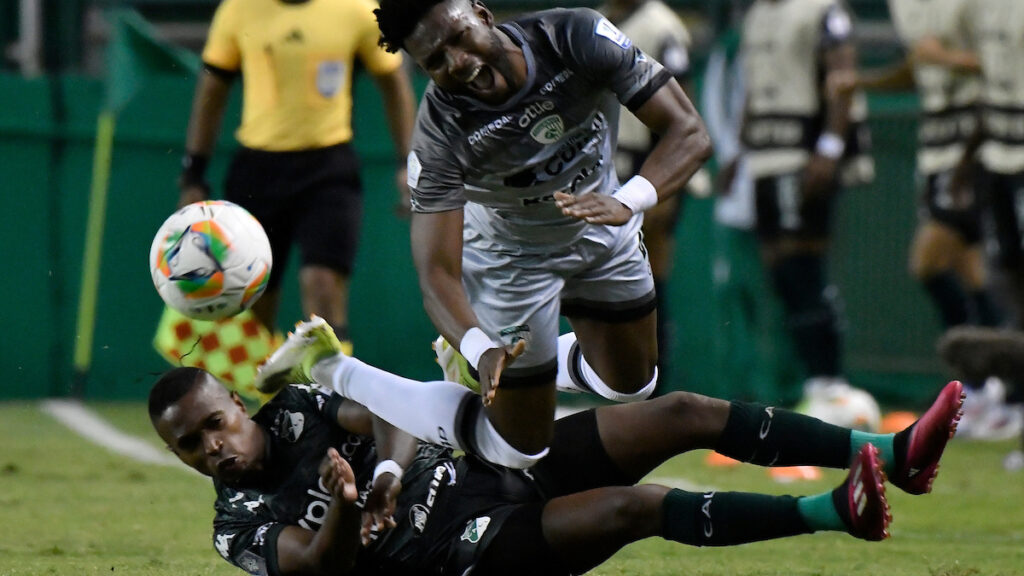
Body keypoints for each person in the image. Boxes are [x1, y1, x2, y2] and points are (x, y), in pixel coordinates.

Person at [154, 322, 965, 575]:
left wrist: (392, 469)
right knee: (634, 507)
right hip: (458, 553)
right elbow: (315, 568)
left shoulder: (297, 405)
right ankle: (834, 512)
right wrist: (342, 503)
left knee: (677, 408)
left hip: (489, 464)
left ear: (235, 400)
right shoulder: (235, 522)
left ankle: (893, 456)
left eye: (212, 424)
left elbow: (386, 414)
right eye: (190, 446)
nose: (210, 448)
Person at [370, 0, 712, 470]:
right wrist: (478, 346)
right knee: (522, 448)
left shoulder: (575, 37)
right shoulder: (438, 135)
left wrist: (627, 201)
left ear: (482, 13)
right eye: (435, 62)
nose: (457, 62)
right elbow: (436, 274)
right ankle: (345, 375)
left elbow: (689, 131)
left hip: (600, 221)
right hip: (511, 261)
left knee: (633, 386)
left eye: (458, 37)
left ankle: (545, 360)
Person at [177, 0, 417, 351]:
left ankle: (328, 399)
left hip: (328, 169)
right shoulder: (239, 9)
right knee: (253, 300)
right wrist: (193, 174)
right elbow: (213, 87)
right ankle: (262, 401)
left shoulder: (356, 9)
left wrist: (407, 164)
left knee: (323, 287)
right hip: (256, 172)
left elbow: (394, 83)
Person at [736, 0, 874, 406]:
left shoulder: (823, 9)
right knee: (779, 268)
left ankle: (830, 381)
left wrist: (830, 146)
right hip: (765, 153)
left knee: (803, 265)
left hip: (802, 150)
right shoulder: (756, 13)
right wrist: (738, 149)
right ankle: (816, 382)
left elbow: (842, 73)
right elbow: (754, 84)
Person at [598, 0, 708, 385]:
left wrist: (667, 189)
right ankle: (617, 382)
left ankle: (652, 384)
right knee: (606, 283)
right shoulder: (598, 21)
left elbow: (683, 105)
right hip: (609, 170)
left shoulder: (661, 25)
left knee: (646, 278)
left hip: (650, 172)